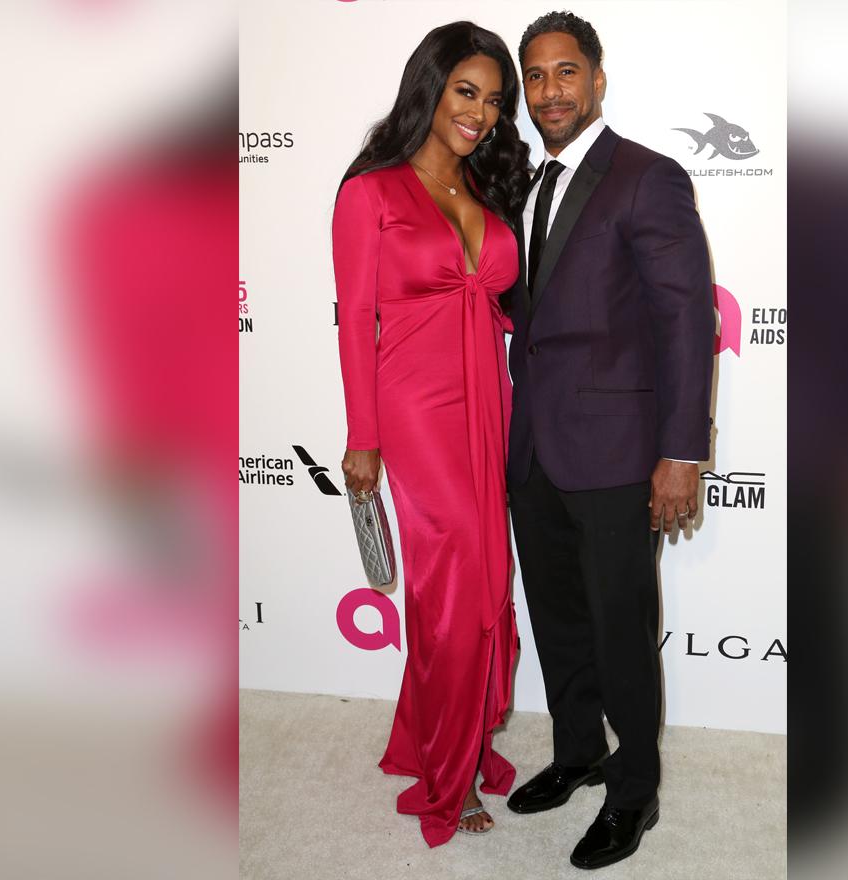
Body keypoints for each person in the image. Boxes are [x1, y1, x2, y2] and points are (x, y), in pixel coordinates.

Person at [502, 11, 716, 871]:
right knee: (557, 617)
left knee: (622, 626)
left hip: (622, 452)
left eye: (564, 73)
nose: (549, 91)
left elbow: (684, 322)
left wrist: (682, 453)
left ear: (596, 79)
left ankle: (636, 792)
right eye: (535, 77)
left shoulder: (647, 177)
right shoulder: (523, 184)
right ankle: (578, 750)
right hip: (534, 449)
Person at [332, 21, 531, 847]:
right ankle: (448, 783)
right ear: (430, 88)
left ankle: (435, 738)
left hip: (493, 408)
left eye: (492, 100)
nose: (480, 114)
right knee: (453, 598)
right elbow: (353, 325)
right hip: (416, 416)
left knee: (484, 591)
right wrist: (362, 439)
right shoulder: (370, 194)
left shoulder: (488, 191)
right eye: (465, 92)